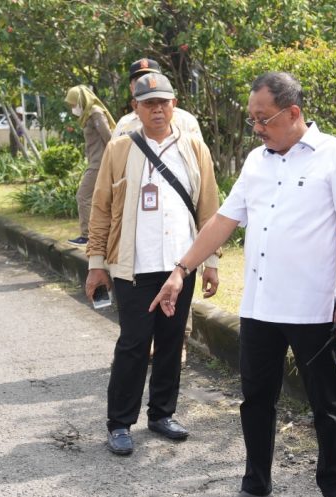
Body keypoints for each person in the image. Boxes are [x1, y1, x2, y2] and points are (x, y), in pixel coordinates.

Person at [151, 71, 336, 497]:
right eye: (252, 119)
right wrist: (180, 270)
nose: (256, 128)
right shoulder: (257, 161)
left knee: (325, 404)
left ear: (294, 113)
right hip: (259, 307)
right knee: (255, 400)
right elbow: (223, 221)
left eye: (263, 119)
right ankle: (256, 488)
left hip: (314, 307)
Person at [84, 72, 220, 456]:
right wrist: (96, 262)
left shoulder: (194, 147)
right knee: (133, 343)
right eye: (149, 103)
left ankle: (162, 413)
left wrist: (210, 262)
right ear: (136, 108)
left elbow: (209, 208)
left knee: (172, 340)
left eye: (163, 102)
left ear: (174, 104)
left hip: (181, 264)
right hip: (133, 266)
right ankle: (120, 422)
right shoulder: (120, 148)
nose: (157, 109)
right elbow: (101, 208)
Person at [65, 85, 116, 246]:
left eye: (74, 104)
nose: (72, 108)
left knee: (83, 196)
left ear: (81, 101)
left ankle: (87, 236)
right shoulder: (89, 115)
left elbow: (109, 138)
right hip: (95, 162)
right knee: (98, 200)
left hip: (99, 163)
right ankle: (98, 235)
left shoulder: (95, 113)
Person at [113, 58, 203, 141]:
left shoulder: (186, 120)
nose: (146, 83)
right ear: (131, 88)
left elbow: (199, 155)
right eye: (139, 80)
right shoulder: (124, 124)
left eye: (151, 77)